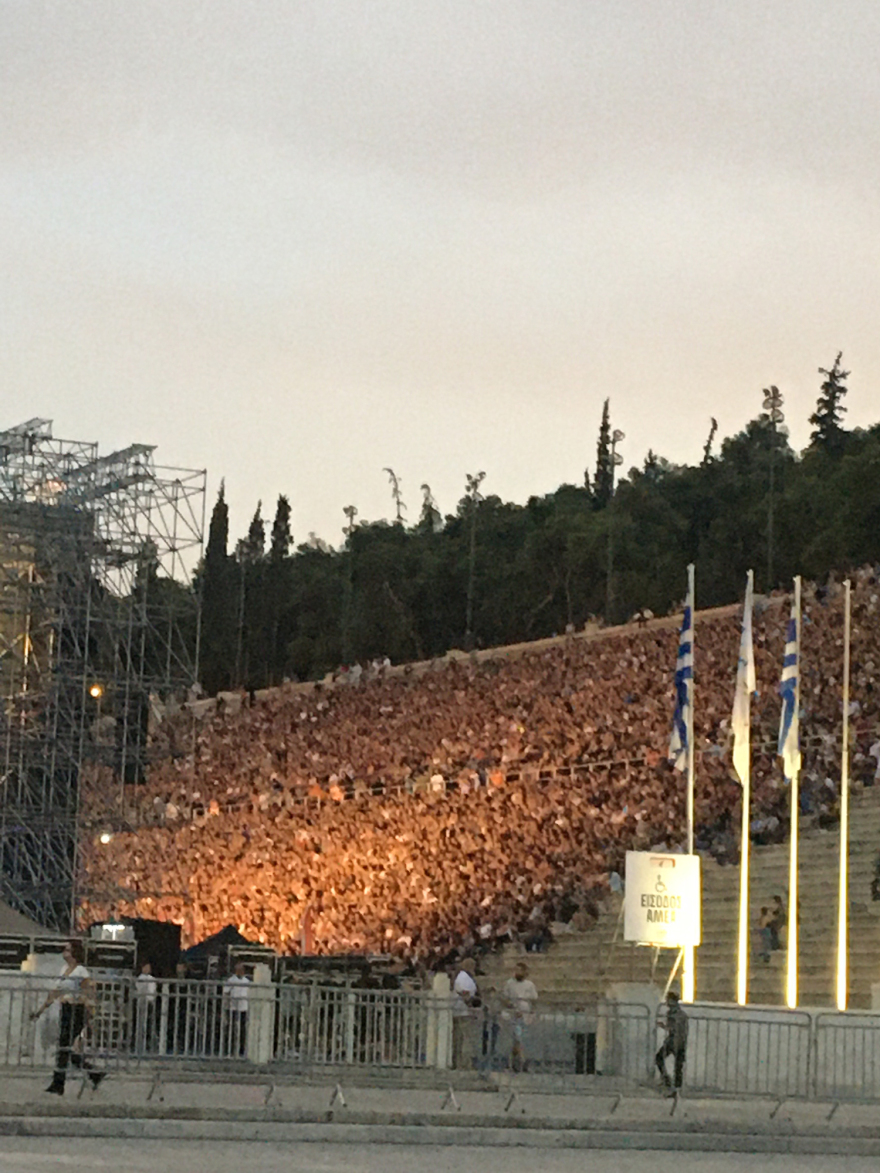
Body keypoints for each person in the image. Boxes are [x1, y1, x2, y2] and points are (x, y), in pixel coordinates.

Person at [30, 940, 105, 1095]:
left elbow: (89, 991)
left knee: (64, 1046)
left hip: (77, 1010)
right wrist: (40, 1010)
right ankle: (91, 1073)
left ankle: (60, 1083)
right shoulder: (64, 969)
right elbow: (56, 992)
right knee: (64, 1047)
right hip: (66, 1009)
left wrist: (91, 1012)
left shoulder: (81, 971)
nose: (65, 952)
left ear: (75, 954)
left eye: (68, 950)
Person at [502, 960, 538, 1072]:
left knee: (520, 1039)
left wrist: (532, 1013)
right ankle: (522, 1061)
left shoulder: (529, 985)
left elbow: (534, 1000)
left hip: (525, 1015)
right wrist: (511, 1006)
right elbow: (505, 998)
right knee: (516, 1038)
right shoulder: (509, 983)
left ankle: (513, 1062)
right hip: (513, 1014)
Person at [655, 990, 688, 1094]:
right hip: (674, 1040)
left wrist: (664, 1026)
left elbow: (675, 1027)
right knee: (661, 1058)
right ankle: (668, 1081)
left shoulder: (678, 1014)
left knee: (677, 1065)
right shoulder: (672, 1013)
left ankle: (676, 1087)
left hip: (677, 1041)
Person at [451, 958, 478, 1069]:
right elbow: (465, 994)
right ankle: (463, 1063)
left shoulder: (463, 977)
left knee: (460, 1039)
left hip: (461, 1012)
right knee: (464, 1039)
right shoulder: (464, 978)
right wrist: (472, 1006)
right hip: (463, 1012)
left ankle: (460, 1062)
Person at [223, 961, 250, 1057]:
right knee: (231, 1029)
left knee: (243, 1029)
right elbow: (226, 992)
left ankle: (241, 1050)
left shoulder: (247, 981)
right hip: (233, 1008)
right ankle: (229, 1050)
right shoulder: (231, 980)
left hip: (243, 1008)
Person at [134, 961, 158, 1053]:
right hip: (142, 1002)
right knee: (141, 1024)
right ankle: (140, 1046)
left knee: (149, 1024)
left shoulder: (152, 978)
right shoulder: (140, 978)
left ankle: (149, 1045)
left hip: (150, 1002)